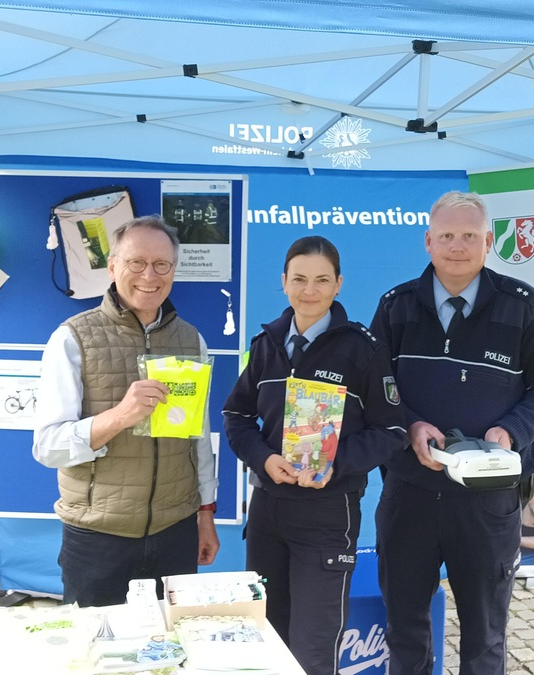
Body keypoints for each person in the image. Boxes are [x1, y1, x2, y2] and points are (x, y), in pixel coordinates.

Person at [370, 190, 534, 675]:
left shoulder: (523, 307)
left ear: (489, 242)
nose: (457, 246)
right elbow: (375, 389)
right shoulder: (395, 306)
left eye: (469, 236)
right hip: (410, 495)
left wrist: (510, 431)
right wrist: (410, 424)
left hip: (489, 499)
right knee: (405, 629)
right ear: (428, 242)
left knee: (485, 636)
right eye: (446, 235)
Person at [223, 235, 406, 675]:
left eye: (322, 280)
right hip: (268, 513)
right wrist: (263, 459)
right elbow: (236, 414)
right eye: (300, 279)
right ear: (283, 282)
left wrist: (334, 464)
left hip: (328, 515)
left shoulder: (362, 348)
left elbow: (393, 430)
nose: (310, 290)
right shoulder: (265, 344)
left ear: (339, 284)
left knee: (312, 649)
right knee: (266, 639)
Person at [32, 215, 220, 607]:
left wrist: (205, 515)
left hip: (176, 531)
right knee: (96, 655)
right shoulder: (72, 338)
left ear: (173, 270)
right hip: (99, 538)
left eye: (162, 265)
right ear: (113, 266)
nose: (149, 275)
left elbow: (198, 439)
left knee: (171, 651)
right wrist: (119, 416)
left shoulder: (192, 341)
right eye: (136, 263)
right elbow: (48, 447)